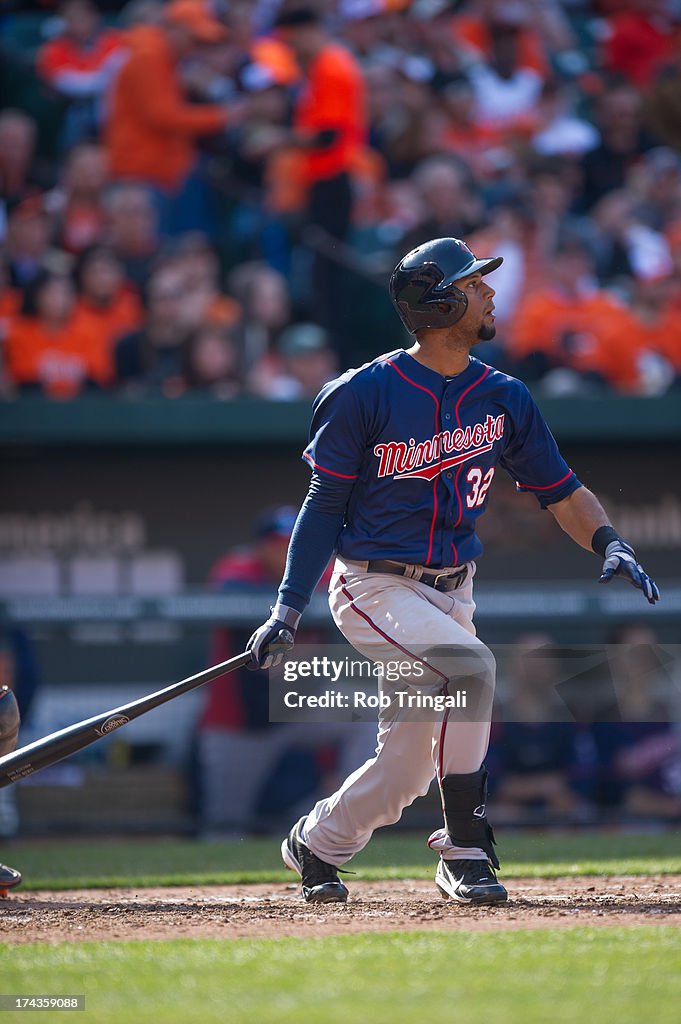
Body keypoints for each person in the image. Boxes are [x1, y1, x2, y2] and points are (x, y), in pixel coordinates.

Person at [246, 235, 660, 906]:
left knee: (407, 769)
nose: (490, 292)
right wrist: (287, 609)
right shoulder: (363, 392)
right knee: (470, 668)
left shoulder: (502, 395)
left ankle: (316, 843)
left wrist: (608, 539)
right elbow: (322, 506)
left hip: (451, 590)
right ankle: (464, 848)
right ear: (438, 302)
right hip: (374, 584)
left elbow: (560, 489)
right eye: (474, 284)